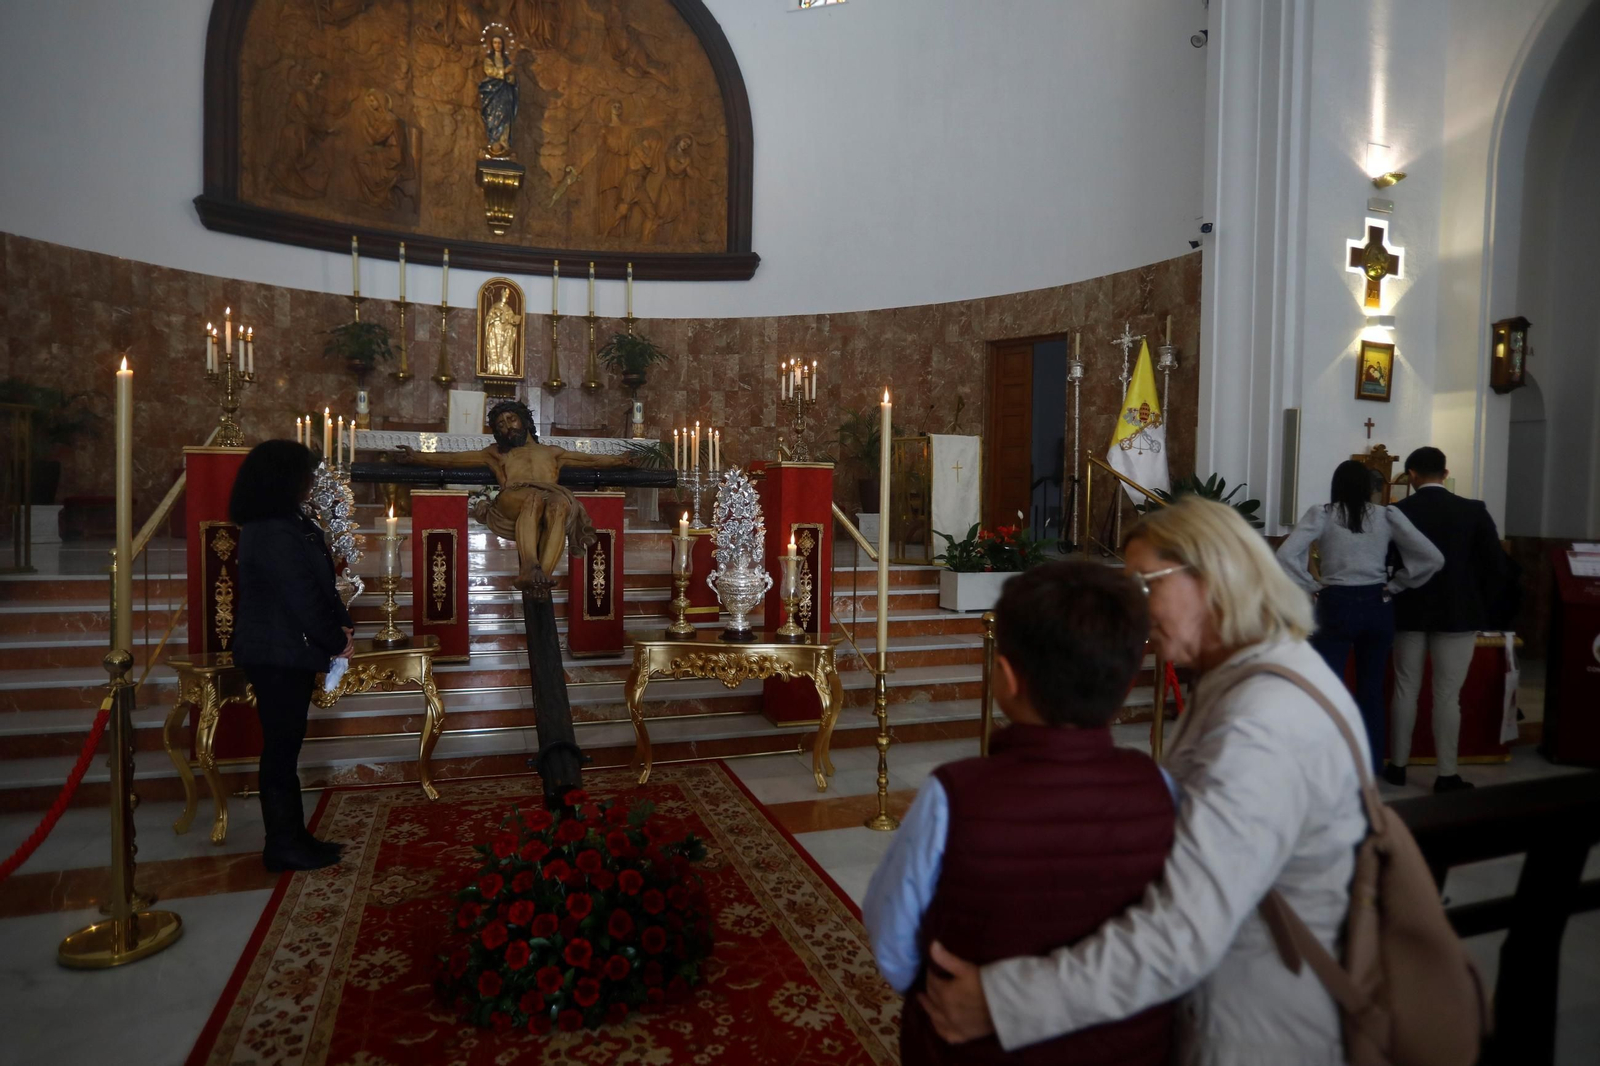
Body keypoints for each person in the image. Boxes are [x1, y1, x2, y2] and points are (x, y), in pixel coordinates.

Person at [918, 497, 1369, 1066]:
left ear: (1213, 575)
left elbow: (1183, 934)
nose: (1134, 615)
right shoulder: (1250, 678)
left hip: (1256, 1025)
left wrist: (1004, 1002)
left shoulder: (1264, 724)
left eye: (1145, 587)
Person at [863, 561, 1177, 1065]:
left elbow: (893, 945)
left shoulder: (954, 795)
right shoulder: (1158, 787)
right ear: (1123, 689)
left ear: (1006, 679)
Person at [230, 440, 353, 872]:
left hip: (287, 650)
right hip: (275, 653)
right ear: (283, 477)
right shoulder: (271, 530)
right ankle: (282, 844)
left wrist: (341, 622)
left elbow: (321, 581)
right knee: (281, 751)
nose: (310, 481)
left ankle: (294, 836)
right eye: (305, 473)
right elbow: (300, 594)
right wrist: (335, 640)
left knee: (286, 747)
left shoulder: (288, 522)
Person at [1275, 459, 1442, 770]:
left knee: (1328, 689)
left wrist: (1311, 585)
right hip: (1377, 605)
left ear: (1336, 485)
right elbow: (1433, 558)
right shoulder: (1387, 515)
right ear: (1369, 487)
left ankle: (1326, 765)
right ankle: (1370, 765)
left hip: (1335, 603)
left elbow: (1284, 556)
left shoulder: (1322, 514)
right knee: (1371, 690)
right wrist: (1397, 585)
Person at [397, 400, 631, 593]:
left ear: (525, 420)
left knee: (560, 504)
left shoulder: (551, 452)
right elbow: (452, 459)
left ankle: (542, 578)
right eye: (500, 424)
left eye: (511, 419)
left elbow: (592, 460)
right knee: (534, 499)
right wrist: (418, 457)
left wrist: (621, 461)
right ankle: (529, 566)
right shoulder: (496, 454)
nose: (507, 426)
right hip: (514, 497)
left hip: (550, 494)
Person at [1387, 447, 1513, 792]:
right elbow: (1495, 566)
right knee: (1447, 695)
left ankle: (1397, 767)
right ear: (1445, 474)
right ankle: (1446, 774)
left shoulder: (1398, 511)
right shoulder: (1472, 510)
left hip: (1409, 609)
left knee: (1405, 688)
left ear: (1410, 474)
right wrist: (1480, 604)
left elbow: (1388, 561)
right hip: (1459, 612)